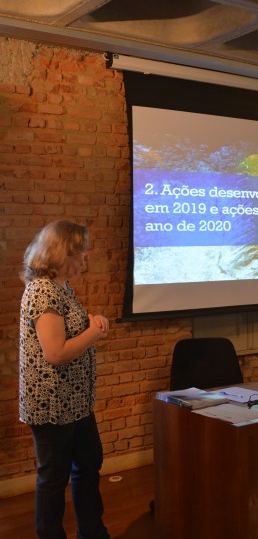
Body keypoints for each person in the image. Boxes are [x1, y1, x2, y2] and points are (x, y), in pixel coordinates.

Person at [19, 220, 111, 539]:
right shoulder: (43, 290)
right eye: (81, 254)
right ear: (63, 254)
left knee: (88, 466)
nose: (86, 260)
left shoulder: (62, 285)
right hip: (52, 404)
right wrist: (94, 333)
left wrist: (91, 321)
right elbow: (55, 352)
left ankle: (93, 533)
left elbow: (70, 326)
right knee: (54, 479)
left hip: (76, 402)